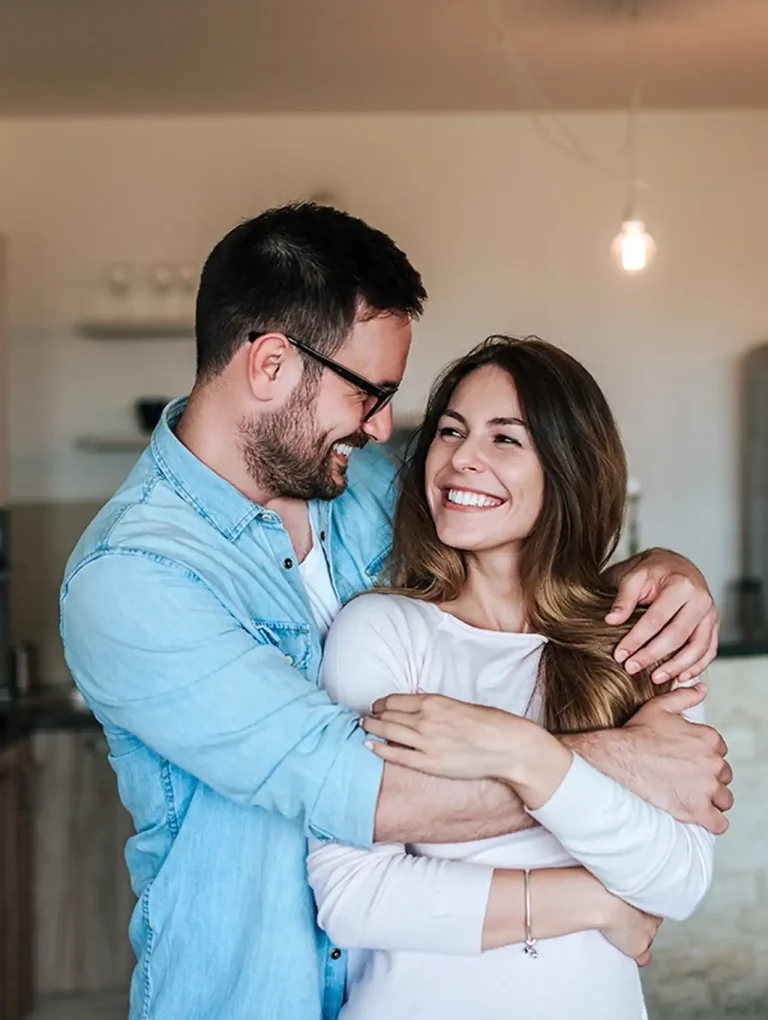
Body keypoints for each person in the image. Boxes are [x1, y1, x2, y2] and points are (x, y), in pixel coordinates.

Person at [60, 204, 730, 1020]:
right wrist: (622, 763)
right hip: (250, 997)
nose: (383, 427)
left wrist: (664, 571)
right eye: (370, 393)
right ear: (271, 365)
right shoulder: (133, 577)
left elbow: (516, 550)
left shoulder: (362, 488)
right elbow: (362, 790)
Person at [308, 336, 717, 1020]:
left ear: (569, 469)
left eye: (505, 439)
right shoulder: (382, 631)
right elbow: (353, 897)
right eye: (450, 431)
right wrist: (595, 900)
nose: (462, 457)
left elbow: (679, 881)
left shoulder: (640, 638)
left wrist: (518, 750)